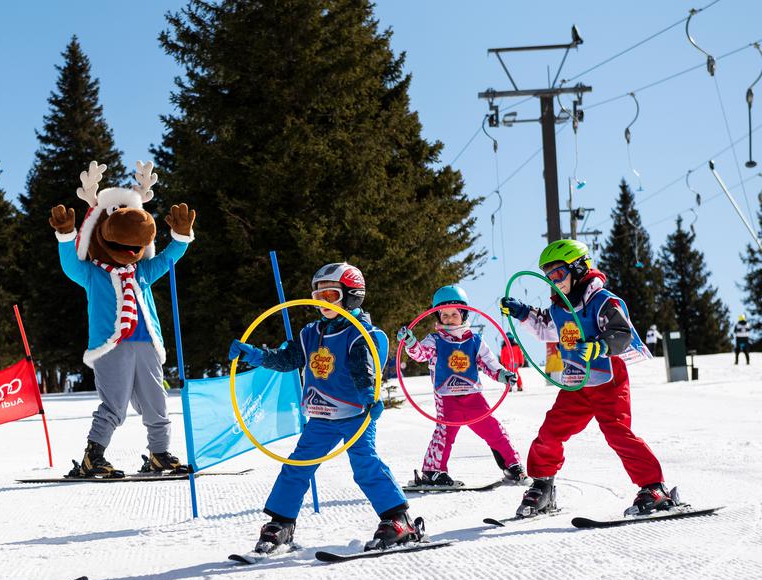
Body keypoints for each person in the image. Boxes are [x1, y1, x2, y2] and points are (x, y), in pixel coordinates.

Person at [229, 263, 419, 555]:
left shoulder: (360, 333)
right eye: (318, 297)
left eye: (331, 296)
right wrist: (255, 355)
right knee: (297, 466)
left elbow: (364, 370)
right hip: (321, 416)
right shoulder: (310, 332)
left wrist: (370, 397)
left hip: (355, 413)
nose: (323, 303)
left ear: (353, 296)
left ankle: (398, 519)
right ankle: (281, 524)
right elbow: (288, 359)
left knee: (365, 464)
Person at [500, 240, 676, 519]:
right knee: (550, 432)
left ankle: (654, 488)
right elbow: (547, 328)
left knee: (617, 433)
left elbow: (622, 333)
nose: (553, 281)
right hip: (576, 385)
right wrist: (523, 312)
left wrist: (602, 346)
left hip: (608, 381)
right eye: (549, 277)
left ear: (579, 268)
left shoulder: (603, 301)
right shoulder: (559, 308)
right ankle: (543, 486)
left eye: (558, 274)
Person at [48, 160, 195, 478]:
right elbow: (71, 265)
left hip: (146, 344)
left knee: (156, 403)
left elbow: (168, 258)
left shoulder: (142, 270)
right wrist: (65, 235)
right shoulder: (93, 274)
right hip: (112, 345)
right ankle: (93, 457)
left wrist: (181, 237)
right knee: (113, 405)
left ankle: (159, 454)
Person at [398, 286, 524, 488]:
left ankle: (513, 465)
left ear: (463, 314)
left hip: (473, 397)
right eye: (444, 315)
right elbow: (420, 354)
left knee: (493, 429)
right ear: (437, 316)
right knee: (445, 433)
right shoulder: (435, 340)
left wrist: (503, 374)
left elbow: (489, 363)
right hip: (447, 397)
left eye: (454, 314)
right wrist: (411, 343)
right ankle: (433, 471)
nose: (449, 319)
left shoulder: (475, 341)